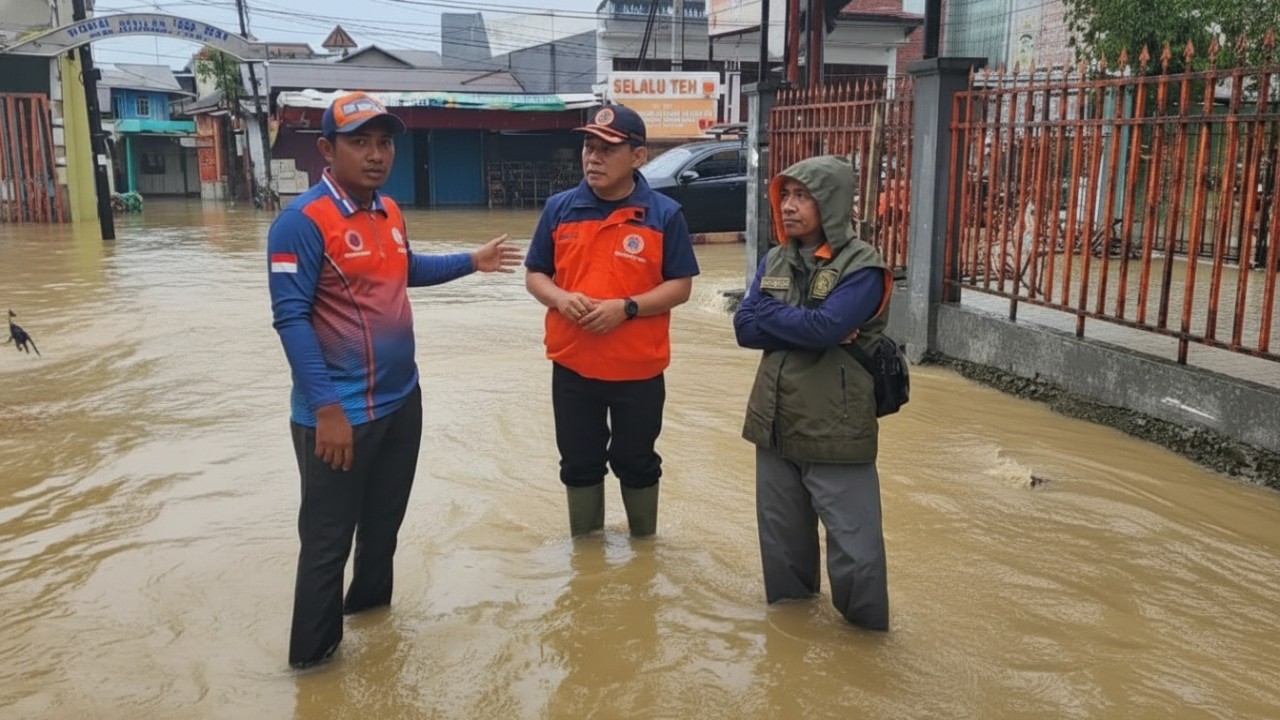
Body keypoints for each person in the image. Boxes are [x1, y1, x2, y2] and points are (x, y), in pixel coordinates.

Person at [267, 91, 522, 669]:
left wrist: (470, 262)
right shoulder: (302, 223)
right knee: (327, 548)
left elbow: (404, 272)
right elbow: (291, 321)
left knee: (382, 533)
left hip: (402, 405)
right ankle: (314, 670)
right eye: (360, 142)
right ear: (327, 150)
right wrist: (327, 411)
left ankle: (372, 635)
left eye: (384, 142)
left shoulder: (389, 211)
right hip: (339, 418)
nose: (376, 154)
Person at [732, 155, 895, 630]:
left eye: (803, 196)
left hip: (835, 427)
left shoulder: (862, 265)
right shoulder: (776, 258)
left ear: (832, 202)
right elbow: (743, 328)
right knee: (782, 554)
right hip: (774, 423)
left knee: (857, 557)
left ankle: (865, 655)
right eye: (785, 195)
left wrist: (776, 318)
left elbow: (830, 327)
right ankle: (791, 643)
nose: (788, 206)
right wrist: (804, 326)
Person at [524, 105, 700, 538]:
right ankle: (588, 562)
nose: (593, 157)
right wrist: (561, 299)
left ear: (637, 157)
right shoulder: (559, 209)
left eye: (607, 149)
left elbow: (680, 286)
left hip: (638, 370)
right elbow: (535, 275)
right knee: (578, 464)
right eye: (589, 146)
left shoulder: (664, 214)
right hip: (573, 368)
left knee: (637, 462)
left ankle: (644, 552)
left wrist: (627, 307)